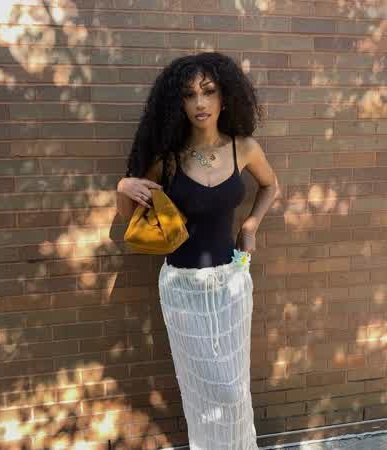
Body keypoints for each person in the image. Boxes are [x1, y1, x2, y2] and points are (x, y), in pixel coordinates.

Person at [116, 52, 278, 450]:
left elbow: (271, 185)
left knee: (232, 388)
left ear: (225, 96)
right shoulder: (168, 160)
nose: (200, 103)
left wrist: (251, 225)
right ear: (179, 103)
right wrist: (123, 188)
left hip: (231, 281)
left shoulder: (244, 148)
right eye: (189, 95)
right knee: (201, 390)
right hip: (181, 286)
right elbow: (132, 218)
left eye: (208, 91)